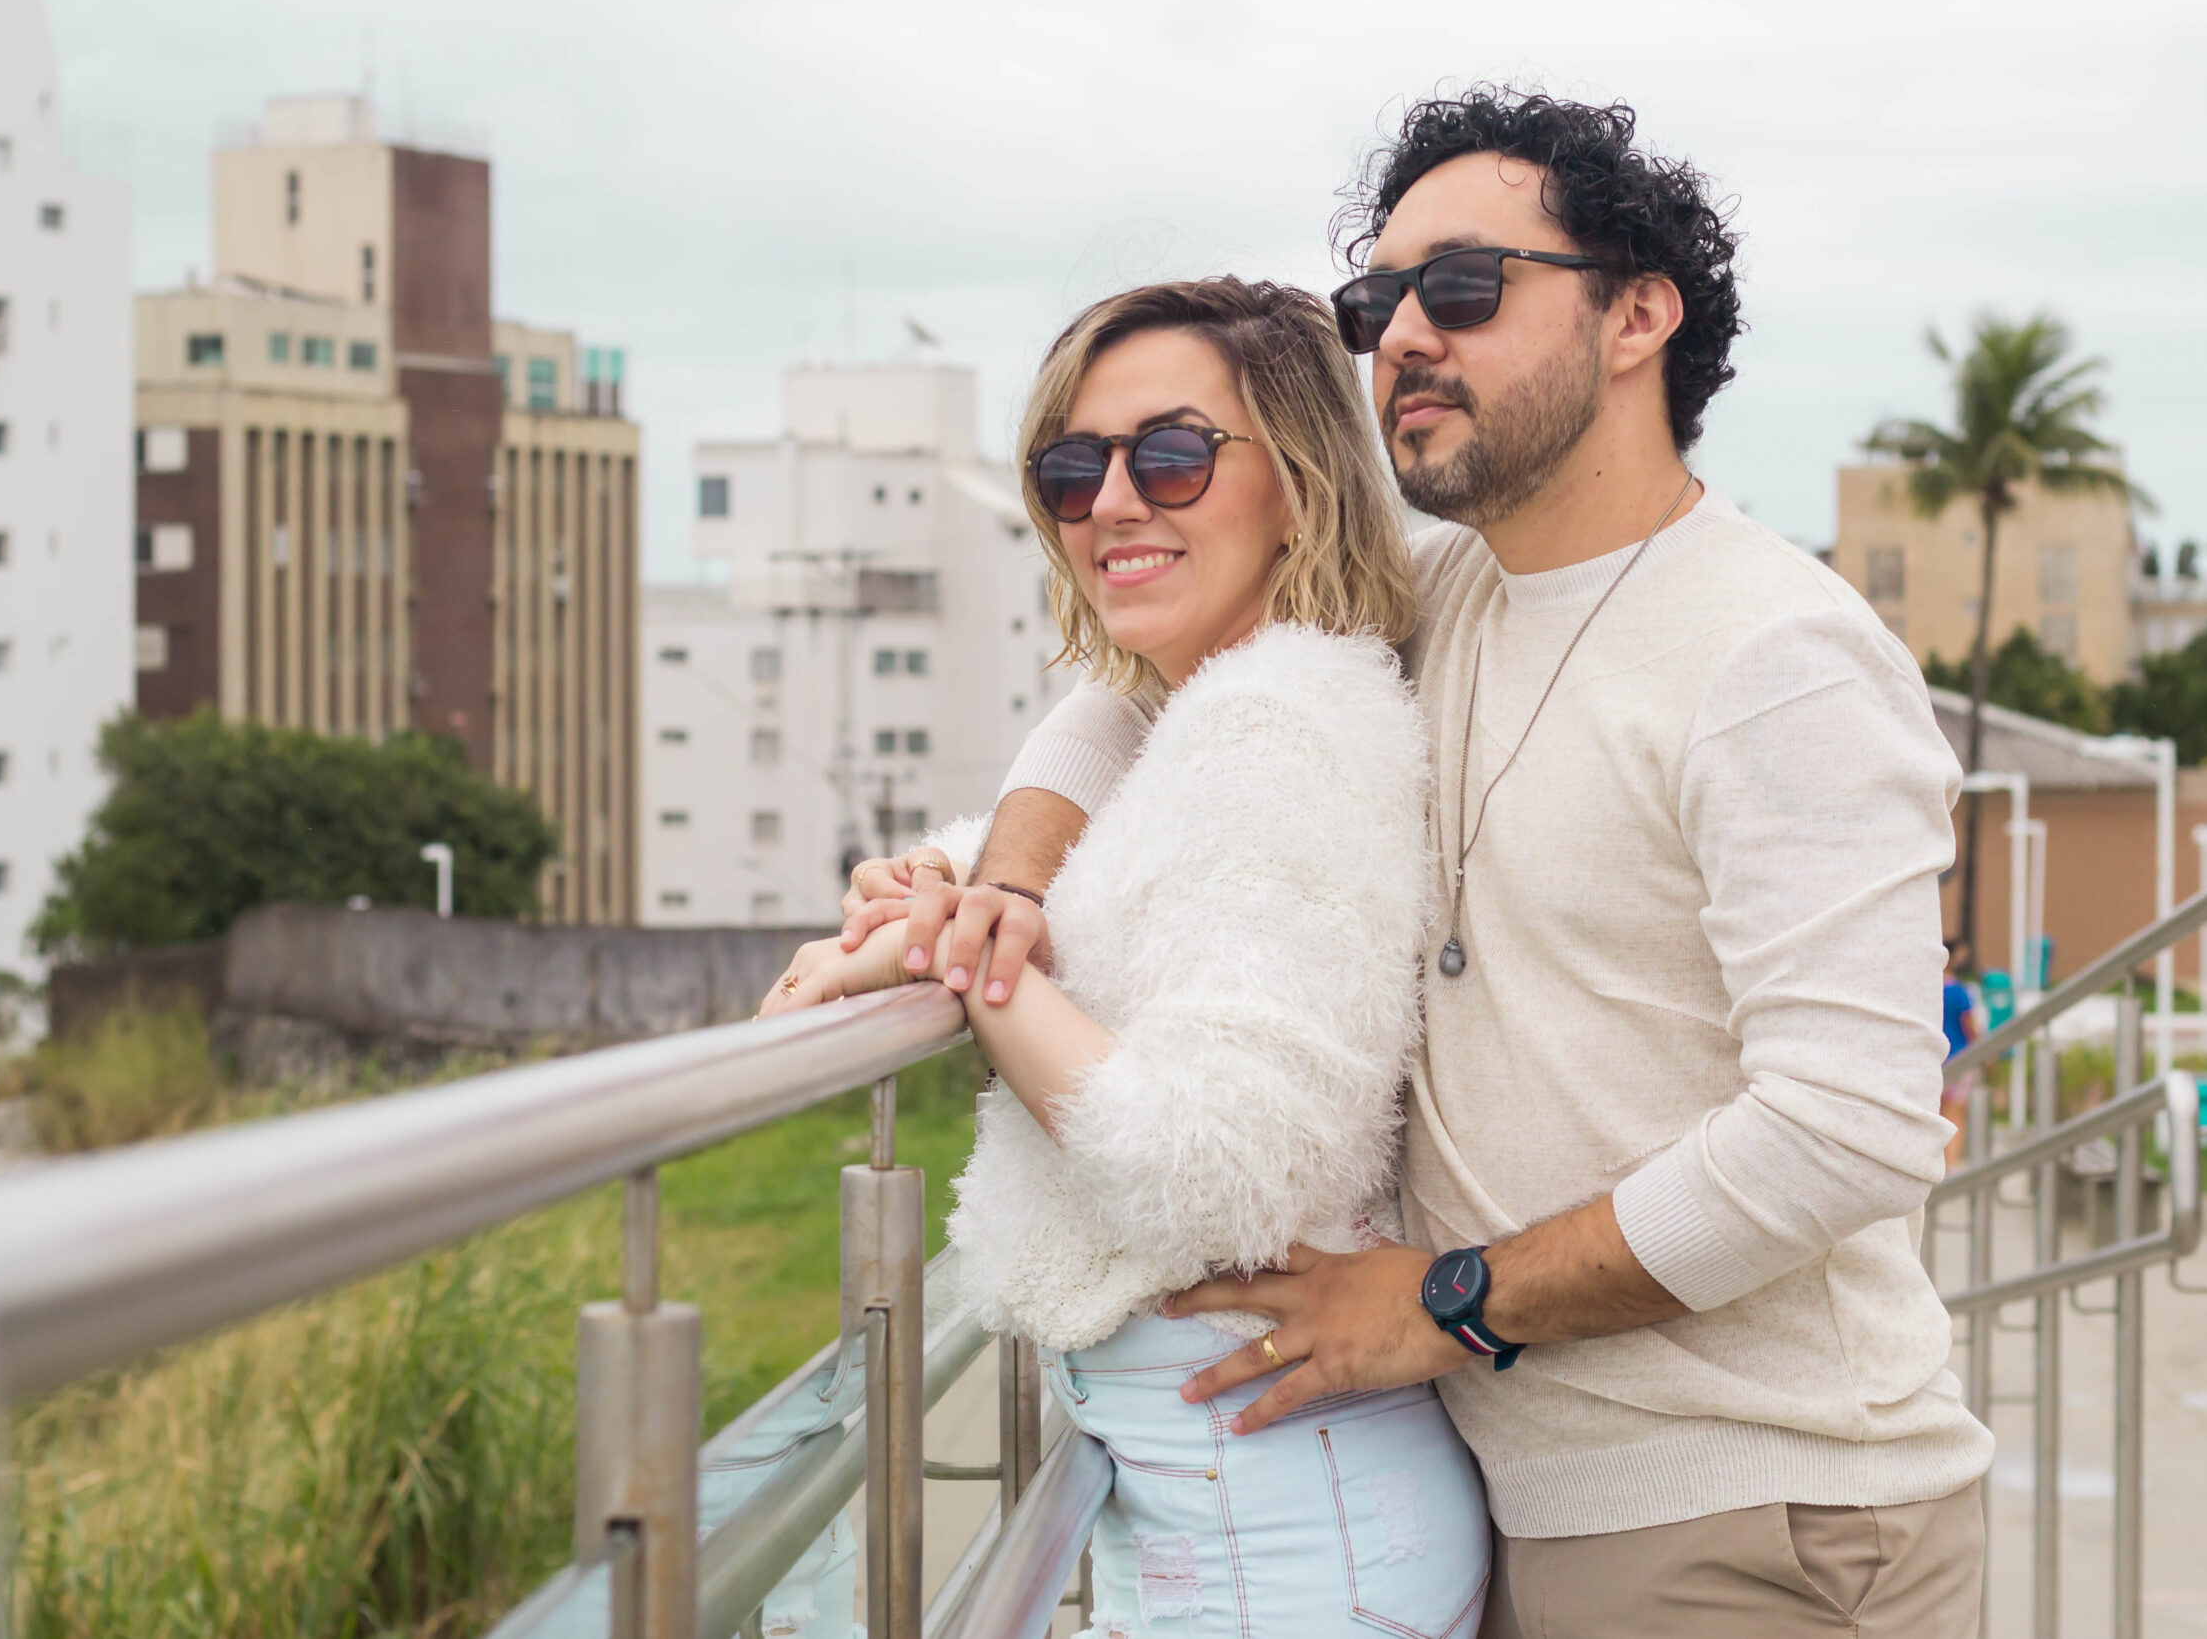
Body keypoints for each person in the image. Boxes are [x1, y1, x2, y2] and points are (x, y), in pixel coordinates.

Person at [852, 90, 1994, 1637]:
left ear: (1637, 312)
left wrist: (1451, 1302)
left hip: (1763, 1508)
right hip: (1514, 1480)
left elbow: (1849, 1127)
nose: (1402, 335)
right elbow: (1125, 685)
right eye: (1378, 300)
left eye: (1463, 287)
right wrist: (1009, 882)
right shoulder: (1444, 588)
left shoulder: (1774, 653)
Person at [762, 277, 1492, 1639]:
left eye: (1170, 452)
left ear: (1299, 481)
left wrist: (976, 962)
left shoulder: (1275, 730)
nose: (1110, 501)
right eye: (1068, 465)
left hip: (1283, 1539)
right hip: (1274, 1504)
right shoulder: (1218, 713)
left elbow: (1216, 1171)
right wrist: (949, 880)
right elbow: (1141, 872)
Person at [1941, 939, 1982, 1170]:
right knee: (1955, 1115)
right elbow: (1970, 1027)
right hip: (1959, 1058)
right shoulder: (1959, 992)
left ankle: (1933, 1165)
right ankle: (1951, 1165)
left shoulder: (1928, 989)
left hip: (1934, 1060)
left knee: (1933, 1115)